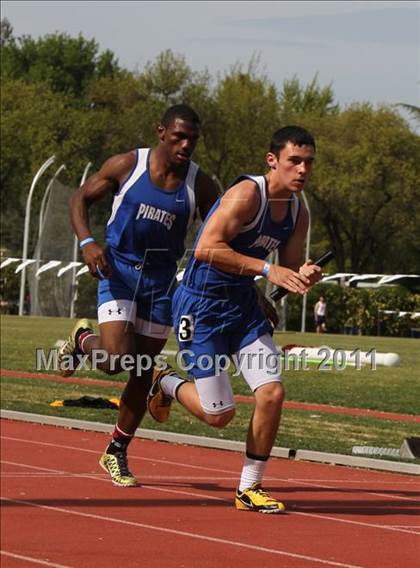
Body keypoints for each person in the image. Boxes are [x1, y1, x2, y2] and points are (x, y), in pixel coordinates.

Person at [147, 125, 322, 513]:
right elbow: (207, 248)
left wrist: (302, 273)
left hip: (243, 306)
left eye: (309, 162)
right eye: (294, 161)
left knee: (272, 393)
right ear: (272, 161)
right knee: (219, 415)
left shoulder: (298, 210)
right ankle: (167, 382)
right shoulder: (246, 194)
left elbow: (288, 266)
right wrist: (265, 269)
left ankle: (249, 488)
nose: (303, 170)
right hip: (201, 306)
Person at [57, 104, 220, 487]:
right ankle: (84, 340)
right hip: (119, 270)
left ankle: (116, 450)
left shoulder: (201, 184)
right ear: (161, 131)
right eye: (179, 136)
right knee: (115, 360)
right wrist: (87, 242)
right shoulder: (128, 165)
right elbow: (78, 199)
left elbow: (222, 233)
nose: (185, 145)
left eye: (192, 140)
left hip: (162, 282)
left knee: (143, 370)